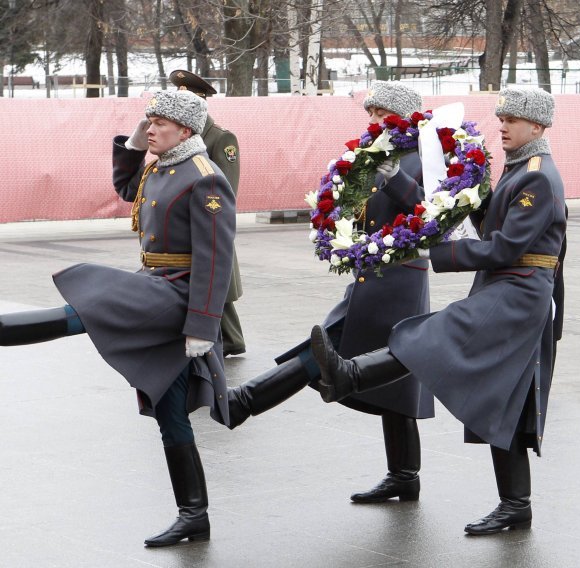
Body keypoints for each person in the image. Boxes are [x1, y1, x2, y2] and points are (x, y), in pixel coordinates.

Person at [309, 86, 567, 535]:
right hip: (506, 288)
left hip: (519, 292)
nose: (501, 125)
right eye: (501, 117)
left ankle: (350, 375)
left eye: (511, 120)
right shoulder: (519, 169)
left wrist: (441, 255)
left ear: (538, 127)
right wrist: (440, 201)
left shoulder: (538, 176)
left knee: (430, 337)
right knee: (501, 400)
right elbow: (485, 220)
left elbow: (507, 245)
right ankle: (516, 505)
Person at [0, 90, 236, 546]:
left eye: (159, 123)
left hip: (176, 294)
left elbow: (216, 260)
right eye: (148, 120)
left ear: (185, 130)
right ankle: (194, 516)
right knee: (170, 413)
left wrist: (202, 328)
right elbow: (128, 188)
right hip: (154, 284)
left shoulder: (205, 177)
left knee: (94, 299)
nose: (150, 128)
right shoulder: (162, 165)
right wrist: (135, 142)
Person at [226, 81, 434, 503]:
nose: (373, 121)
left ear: (406, 116)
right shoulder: (374, 156)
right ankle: (404, 474)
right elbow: (357, 212)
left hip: (400, 278)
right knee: (388, 369)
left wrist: (395, 181)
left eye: (382, 113)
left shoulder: (423, 156)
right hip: (369, 275)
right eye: (371, 113)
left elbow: (433, 210)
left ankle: (243, 402)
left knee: (334, 353)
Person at [170, 69, 246, 357]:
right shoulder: (179, 136)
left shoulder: (220, 138)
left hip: (208, 222)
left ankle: (230, 341)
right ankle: (231, 340)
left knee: (216, 285)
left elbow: (226, 190)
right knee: (211, 287)